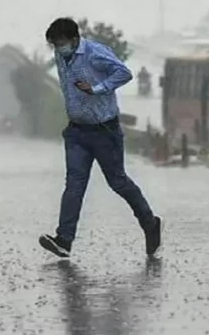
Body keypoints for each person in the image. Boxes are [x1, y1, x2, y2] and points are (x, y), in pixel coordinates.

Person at [38, 17, 163, 258]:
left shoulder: (95, 53)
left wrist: (97, 88)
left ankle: (151, 224)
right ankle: (64, 239)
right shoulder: (60, 57)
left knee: (118, 182)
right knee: (74, 185)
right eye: (54, 44)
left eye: (61, 43)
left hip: (104, 131)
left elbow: (124, 73)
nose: (58, 48)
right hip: (76, 132)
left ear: (74, 39)